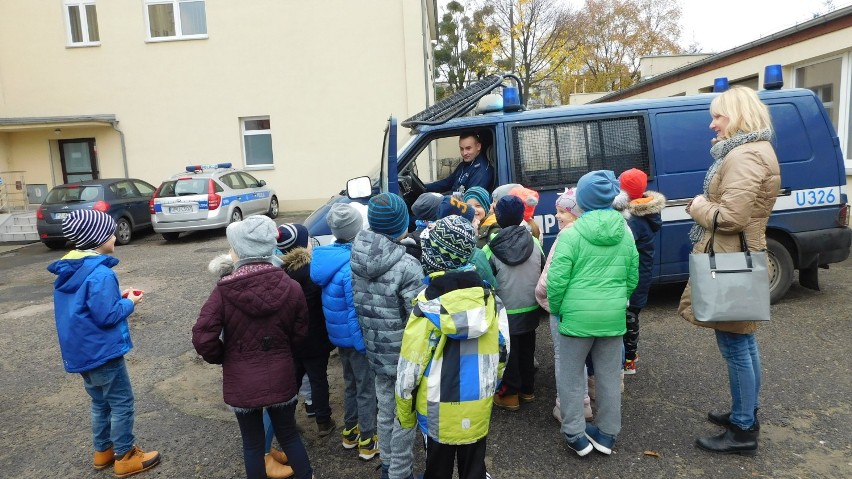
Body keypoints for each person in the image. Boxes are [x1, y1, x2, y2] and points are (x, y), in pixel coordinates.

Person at [678, 85, 780, 456]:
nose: (712, 124)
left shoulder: (745, 156)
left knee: (736, 344)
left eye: (718, 116)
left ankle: (743, 430)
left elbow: (732, 217)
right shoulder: (751, 151)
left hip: (731, 259)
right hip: (737, 256)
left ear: (736, 116)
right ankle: (744, 413)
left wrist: (698, 205)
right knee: (743, 341)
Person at [192, 215, 312, 479]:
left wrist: (224, 356)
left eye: (232, 248)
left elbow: (203, 337)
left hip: (241, 377)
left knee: (253, 443)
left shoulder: (224, 290)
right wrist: (283, 349)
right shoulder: (291, 286)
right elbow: (301, 330)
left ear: (239, 252)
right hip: (281, 372)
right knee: (289, 434)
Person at [47, 210, 161, 478]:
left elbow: (85, 308)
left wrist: (115, 298)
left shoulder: (69, 269)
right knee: (122, 402)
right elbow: (108, 315)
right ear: (98, 238)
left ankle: (103, 451)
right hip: (103, 352)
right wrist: (129, 302)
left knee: (100, 403)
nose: (114, 235)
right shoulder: (100, 273)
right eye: (110, 232)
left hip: (81, 352)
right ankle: (125, 456)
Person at [396, 215, 509, 479]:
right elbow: (502, 354)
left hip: (436, 409)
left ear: (433, 258)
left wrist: (405, 412)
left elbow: (410, 367)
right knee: (474, 469)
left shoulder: (425, 307)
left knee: (437, 470)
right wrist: (492, 385)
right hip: (478, 405)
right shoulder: (491, 301)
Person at [547, 170, 638, 457]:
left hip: (575, 318)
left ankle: (575, 433)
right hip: (612, 317)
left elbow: (556, 281)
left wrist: (559, 309)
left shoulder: (571, 234)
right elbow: (632, 276)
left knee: (571, 376)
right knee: (610, 377)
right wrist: (618, 300)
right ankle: (607, 434)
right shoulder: (625, 232)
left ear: (582, 201)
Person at [350, 192, 424, 479]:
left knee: (385, 409)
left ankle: (389, 466)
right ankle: (400, 473)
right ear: (401, 224)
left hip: (375, 350)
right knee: (404, 416)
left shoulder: (357, 256)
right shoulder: (407, 266)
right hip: (404, 355)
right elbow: (417, 318)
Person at [310, 203, 378, 460]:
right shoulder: (350, 266)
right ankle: (368, 439)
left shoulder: (327, 259)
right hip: (356, 339)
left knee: (350, 384)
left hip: (340, 338)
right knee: (365, 388)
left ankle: (350, 431)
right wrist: (363, 345)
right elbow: (354, 311)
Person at [534, 188, 593, 423]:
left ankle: (567, 407)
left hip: (564, 309)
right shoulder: (591, 234)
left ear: (576, 213)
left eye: (562, 212)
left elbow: (551, 277)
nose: (557, 216)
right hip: (585, 306)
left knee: (565, 357)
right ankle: (585, 403)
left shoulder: (566, 237)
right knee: (582, 358)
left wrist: (542, 297)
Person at [277, 224, 336, 437]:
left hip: (292, 339)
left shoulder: (281, 272)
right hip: (315, 336)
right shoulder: (313, 270)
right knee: (318, 378)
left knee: (293, 379)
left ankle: (287, 421)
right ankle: (323, 420)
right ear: (303, 244)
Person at [486, 195, 545, 411]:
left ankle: (509, 394)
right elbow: (544, 269)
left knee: (508, 352)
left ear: (497, 218)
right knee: (528, 348)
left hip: (505, 309)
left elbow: (487, 279)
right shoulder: (535, 243)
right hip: (531, 306)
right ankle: (527, 390)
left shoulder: (491, 248)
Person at [617, 168, 665, 375]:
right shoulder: (645, 212)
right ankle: (631, 354)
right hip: (642, 274)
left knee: (628, 318)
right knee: (633, 316)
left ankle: (628, 360)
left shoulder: (631, 221)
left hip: (634, 278)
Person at [425, 133, 494, 194]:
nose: (464, 153)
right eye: (461, 149)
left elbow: (470, 200)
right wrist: (425, 187)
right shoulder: (464, 164)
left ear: (478, 147)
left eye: (468, 148)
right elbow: (447, 182)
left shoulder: (482, 170)